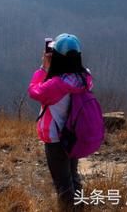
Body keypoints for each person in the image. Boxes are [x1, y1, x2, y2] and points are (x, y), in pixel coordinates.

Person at [28, 33, 93, 211]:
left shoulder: (56, 85)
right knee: (73, 177)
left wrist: (44, 68)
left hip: (56, 139)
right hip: (74, 135)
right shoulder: (84, 77)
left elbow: (34, 91)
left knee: (63, 185)